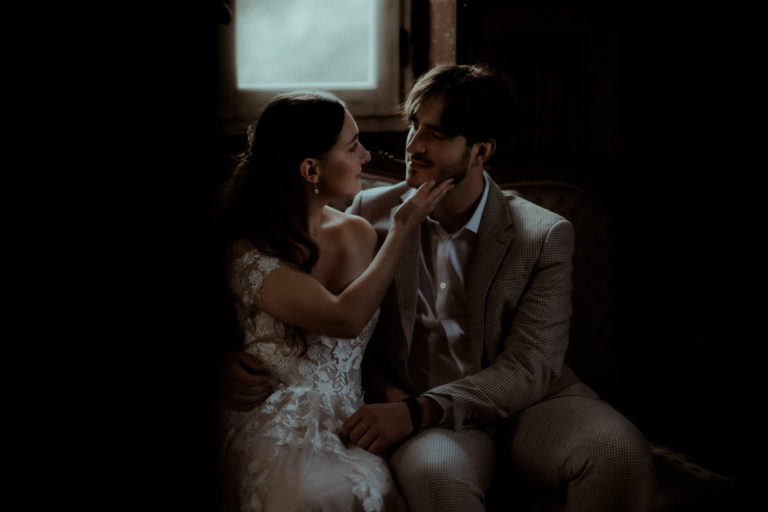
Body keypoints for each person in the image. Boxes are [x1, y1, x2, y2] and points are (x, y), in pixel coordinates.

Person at [222, 65, 655, 511]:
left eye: (436, 133)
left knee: (618, 456)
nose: (413, 145)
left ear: (479, 151)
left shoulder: (542, 234)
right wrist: (229, 358)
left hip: (529, 407)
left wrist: (422, 409)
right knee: (436, 481)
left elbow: (532, 366)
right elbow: (289, 300)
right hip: (424, 424)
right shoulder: (365, 215)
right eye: (413, 125)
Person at [215, 90, 454, 512]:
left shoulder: (358, 234)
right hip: (272, 419)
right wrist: (401, 227)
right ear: (311, 169)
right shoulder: (245, 248)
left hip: (348, 421)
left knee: (368, 492)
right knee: (314, 495)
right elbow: (344, 319)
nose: (366, 156)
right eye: (352, 146)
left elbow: (372, 340)